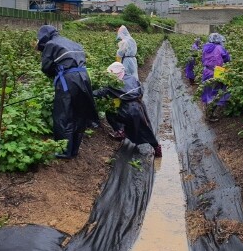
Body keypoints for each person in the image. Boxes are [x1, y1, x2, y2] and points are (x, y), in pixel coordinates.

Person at [37, 25, 99, 159]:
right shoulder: (73, 43)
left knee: (63, 115)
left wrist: (55, 74)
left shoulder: (51, 44)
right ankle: (74, 150)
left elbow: (46, 67)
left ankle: (63, 151)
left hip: (68, 79)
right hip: (84, 77)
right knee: (79, 114)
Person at [93, 62, 162, 157]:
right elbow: (141, 90)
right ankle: (157, 148)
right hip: (139, 107)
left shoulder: (113, 84)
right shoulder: (133, 79)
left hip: (126, 110)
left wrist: (87, 92)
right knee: (145, 128)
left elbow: (99, 92)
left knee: (110, 113)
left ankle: (120, 132)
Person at [201, 33, 231, 122]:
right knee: (217, 92)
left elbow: (203, 59)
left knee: (208, 91)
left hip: (206, 71)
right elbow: (227, 59)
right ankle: (210, 115)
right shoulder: (220, 48)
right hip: (217, 71)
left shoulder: (206, 48)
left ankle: (207, 111)